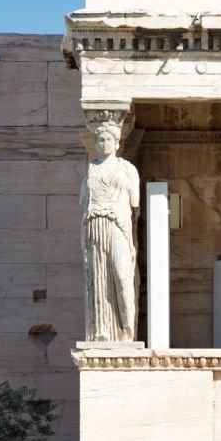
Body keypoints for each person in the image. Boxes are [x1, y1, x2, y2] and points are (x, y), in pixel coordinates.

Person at [80, 120, 140, 342]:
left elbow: (135, 201)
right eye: (100, 139)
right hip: (95, 226)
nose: (104, 143)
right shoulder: (91, 169)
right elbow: (83, 203)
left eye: (108, 140)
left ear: (117, 143)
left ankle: (127, 331)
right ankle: (102, 332)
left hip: (118, 225)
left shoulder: (127, 169)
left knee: (122, 275)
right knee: (99, 279)